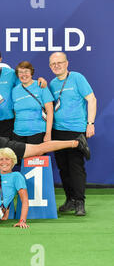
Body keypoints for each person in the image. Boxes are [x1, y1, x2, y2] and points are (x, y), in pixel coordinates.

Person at [48, 52, 96, 216]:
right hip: (57, 131)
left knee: (76, 167)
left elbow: (92, 99)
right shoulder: (52, 84)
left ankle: (79, 202)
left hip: (76, 131)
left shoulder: (77, 78)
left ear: (67, 63)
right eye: (53, 64)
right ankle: (70, 200)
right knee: (63, 168)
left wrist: (90, 123)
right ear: (50, 66)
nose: (57, 65)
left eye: (60, 62)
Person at [0, 47, 47, 139]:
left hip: (8, 124)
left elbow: (26, 84)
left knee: (7, 153)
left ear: (0, 59)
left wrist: (40, 80)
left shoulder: (11, 74)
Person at [12, 61, 54, 144]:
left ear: (31, 72)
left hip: (37, 133)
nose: (24, 75)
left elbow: (50, 111)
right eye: (21, 72)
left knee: (36, 157)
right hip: (18, 134)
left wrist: (48, 133)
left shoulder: (41, 86)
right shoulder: (15, 90)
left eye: (26, 71)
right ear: (17, 75)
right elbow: (16, 113)